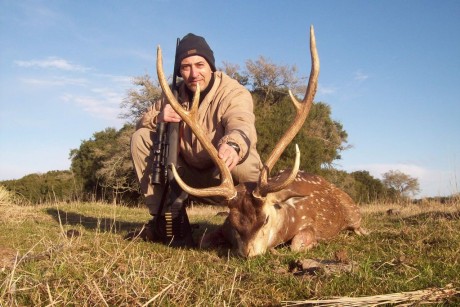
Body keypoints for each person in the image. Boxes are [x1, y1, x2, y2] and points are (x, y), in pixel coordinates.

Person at [130, 33, 262, 227]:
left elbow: (241, 121)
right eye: (186, 67)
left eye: (200, 65)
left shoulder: (233, 91)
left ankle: (254, 217)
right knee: (140, 137)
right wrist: (159, 118)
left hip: (221, 174)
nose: (194, 74)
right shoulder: (172, 94)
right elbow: (141, 123)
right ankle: (165, 218)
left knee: (244, 159)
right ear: (179, 71)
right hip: (186, 176)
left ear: (211, 66)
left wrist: (234, 144)